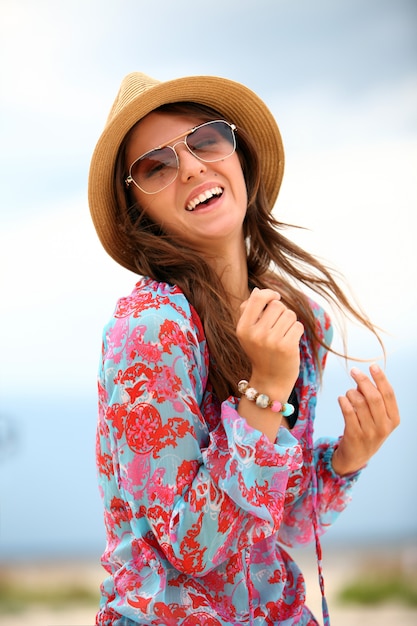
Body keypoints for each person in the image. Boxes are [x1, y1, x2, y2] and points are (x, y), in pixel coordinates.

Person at [88, 71, 400, 626]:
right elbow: (194, 547)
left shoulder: (300, 321)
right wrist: (267, 390)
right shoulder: (150, 328)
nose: (190, 166)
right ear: (138, 213)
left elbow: (281, 523)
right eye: (155, 166)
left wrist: (351, 455)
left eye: (206, 139)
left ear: (240, 160)